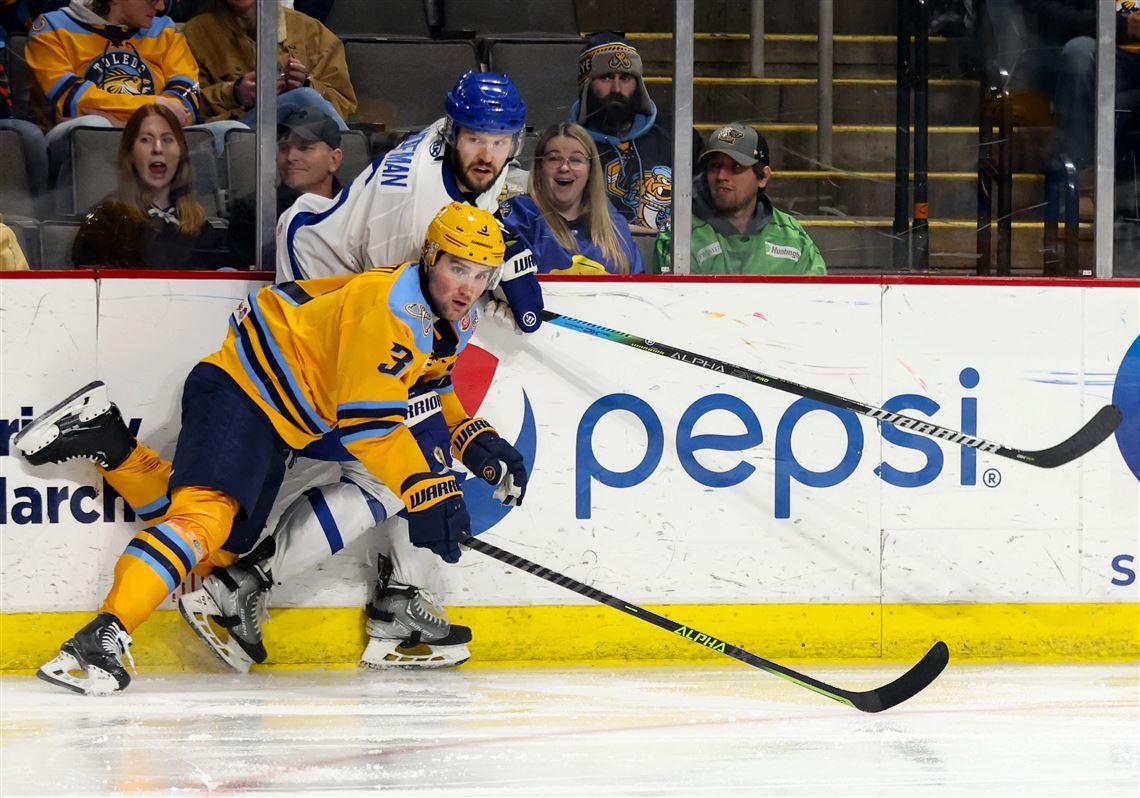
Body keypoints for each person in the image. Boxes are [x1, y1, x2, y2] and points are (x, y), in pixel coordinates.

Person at [13, 202, 528, 695]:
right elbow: (369, 426)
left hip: (278, 418)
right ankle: (102, 637)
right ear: (431, 258)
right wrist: (427, 491)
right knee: (203, 522)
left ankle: (110, 442)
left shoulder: (451, 319)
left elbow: (428, 394)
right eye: (459, 269)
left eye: (482, 275)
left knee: (220, 553)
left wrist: (476, 442)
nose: (469, 288)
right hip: (244, 390)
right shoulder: (389, 308)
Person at [186, 71, 541, 673]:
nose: (489, 152)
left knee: (413, 461)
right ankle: (254, 585)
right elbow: (394, 350)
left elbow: (475, 223)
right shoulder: (410, 220)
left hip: (361, 283)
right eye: (478, 137)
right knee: (397, 461)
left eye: (502, 140)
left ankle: (388, 593)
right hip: (323, 280)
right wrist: (436, 465)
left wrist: (510, 259)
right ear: (456, 132)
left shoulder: (468, 158)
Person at [24, 0, 201, 175]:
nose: (161, 7)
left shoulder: (165, 30)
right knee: (95, 126)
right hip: (71, 140)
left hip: (160, 136)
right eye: (152, 0)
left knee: (222, 131)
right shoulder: (52, 28)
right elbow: (71, 100)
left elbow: (187, 101)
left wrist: (121, 125)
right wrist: (153, 105)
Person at [653, 122, 826, 275]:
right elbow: (677, 304)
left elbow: (815, 302)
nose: (721, 175)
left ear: (763, 177)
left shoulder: (792, 236)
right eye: (715, 166)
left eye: (736, 167)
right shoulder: (680, 233)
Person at [570, 32, 701, 234]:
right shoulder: (565, 146)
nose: (617, 88)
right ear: (585, 85)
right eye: (605, 77)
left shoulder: (679, 137)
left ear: (638, 85)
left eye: (625, 78)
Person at [70, 103, 225, 268]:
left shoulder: (200, 228)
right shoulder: (105, 222)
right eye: (146, 139)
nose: (158, 149)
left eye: (167, 139)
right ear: (130, 153)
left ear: (181, 152)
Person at [183, 0, 356, 131]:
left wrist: (306, 84)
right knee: (304, 97)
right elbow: (185, 106)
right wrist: (235, 93)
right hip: (234, 137)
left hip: (304, 138)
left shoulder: (314, 33)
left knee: (305, 96)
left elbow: (343, 104)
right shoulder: (195, 33)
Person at [499, 122, 642, 275]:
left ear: (590, 169)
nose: (564, 167)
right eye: (554, 159)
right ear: (540, 168)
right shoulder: (518, 218)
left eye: (576, 160)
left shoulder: (616, 229)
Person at [227, 106, 343, 267]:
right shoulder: (254, 210)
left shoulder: (353, 209)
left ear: (334, 160)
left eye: (304, 147)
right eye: (283, 148)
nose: (290, 157)